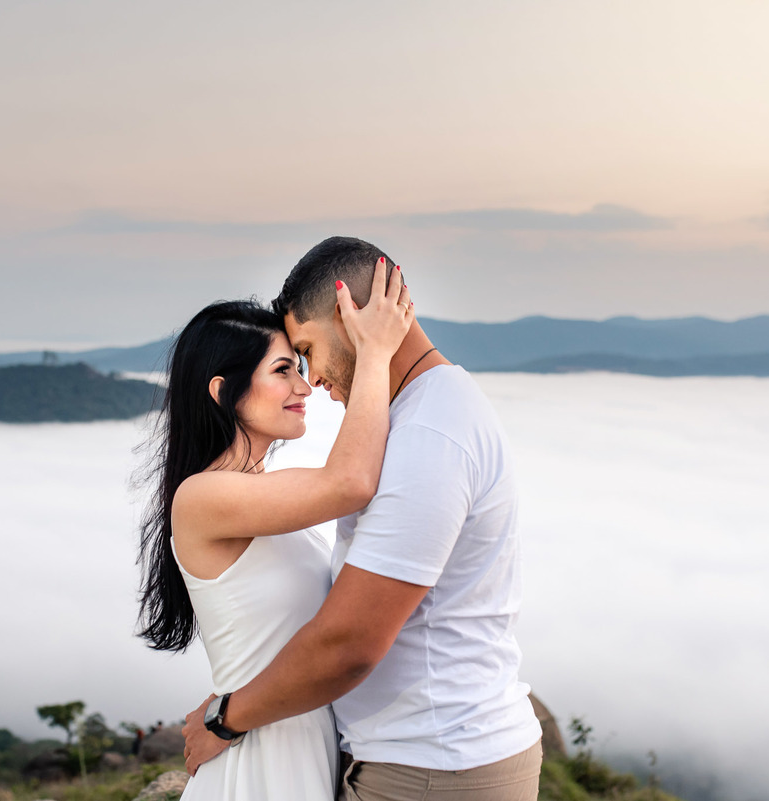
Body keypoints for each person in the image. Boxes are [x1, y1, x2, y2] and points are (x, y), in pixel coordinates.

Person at [182, 236, 544, 800]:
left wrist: (226, 717)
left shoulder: (428, 433)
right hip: (408, 756)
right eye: (287, 366)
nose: (312, 382)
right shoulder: (425, 416)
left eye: (305, 351)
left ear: (353, 316)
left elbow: (349, 643)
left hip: (431, 764)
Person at [136, 260, 414, 800]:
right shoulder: (203, 496)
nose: (305, 387)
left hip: (293, 741)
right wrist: (376, 352)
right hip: (260, 762)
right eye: (284, 370)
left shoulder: (267, 493)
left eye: (300, 366)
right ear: (223, 392)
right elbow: (351, 482)